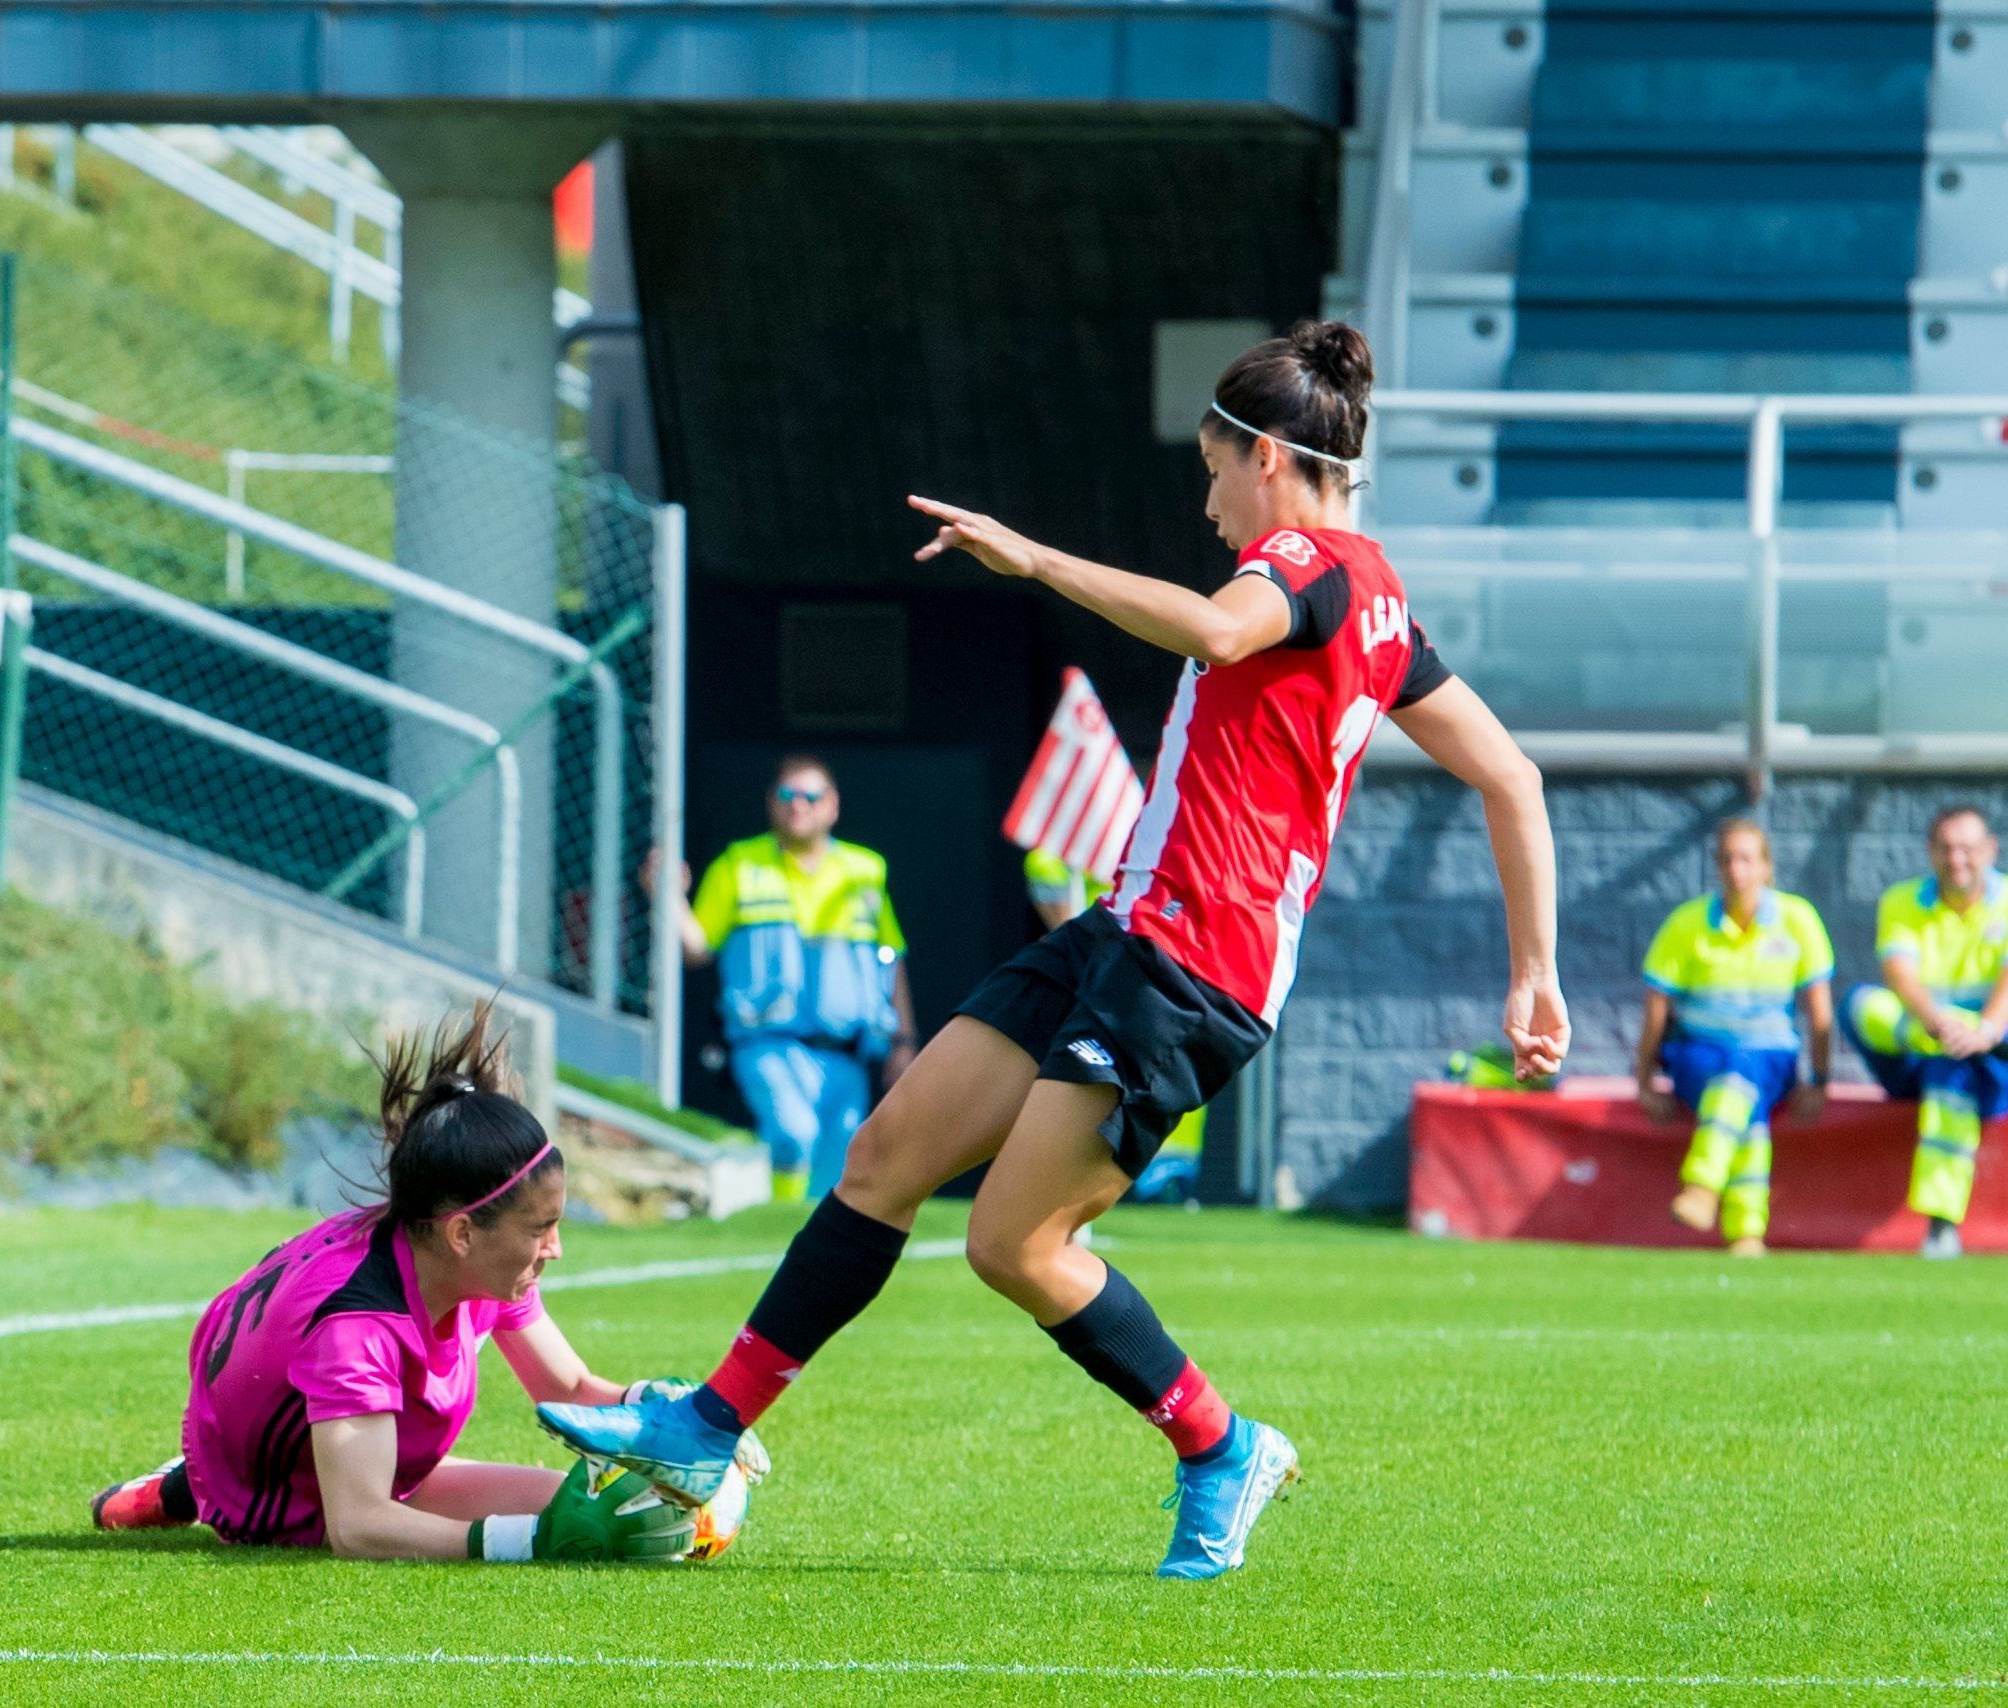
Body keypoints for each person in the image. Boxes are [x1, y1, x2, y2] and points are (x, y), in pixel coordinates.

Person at [540, 321, 1566, 1579]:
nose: (1206, 502)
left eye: (1210, 469)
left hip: (1191, 967)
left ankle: (1219, 1445)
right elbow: (1511, 776)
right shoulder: (1382, 602)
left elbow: (1217, 631)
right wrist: (1533, 971)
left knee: (1013, 1245)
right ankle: (705, 1429)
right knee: (885, 1158)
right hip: (1125, 928)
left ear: (1269, 462)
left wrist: (1030, 559)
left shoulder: (1306, 558)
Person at [89, 1005, 729, 1563]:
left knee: (620, 1516)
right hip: (278, 1493)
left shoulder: (467, 1256)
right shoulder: (357, 1327)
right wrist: (524, 1544)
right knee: (563, 1526)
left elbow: (568, 1388)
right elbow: (359, 1526)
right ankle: (187, 1487)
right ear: (462, 1234)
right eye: (542, 1229)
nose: (556, 1250)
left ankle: (187, 1482)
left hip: (330, 1435)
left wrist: (692, 1416)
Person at [659, 757, 917, 1201]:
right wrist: (669, 896)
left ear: (832, 806)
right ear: (771, 803)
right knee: (792, 1133)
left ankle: (805, 1255)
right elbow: (696, 948)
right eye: (786, 795)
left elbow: (889, 959)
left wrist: (903, 1042)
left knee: (835, 1170)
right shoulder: (739, 864)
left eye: (810, 796)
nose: (798, 805)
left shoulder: (865, 870)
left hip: (845, 1052)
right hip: (768, 1043)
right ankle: (777, 1230)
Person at [1846, 807, 2008, 1260]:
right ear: (1930, 852)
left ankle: (1941, 1224)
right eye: (1945, 848)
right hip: (1929, 1039)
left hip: (1983, 1052)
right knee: (1861, 1006)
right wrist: (1942, 1026)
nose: (1956, 859)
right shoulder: (1900, 900)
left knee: (1952, 1075)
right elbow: (1901, 978)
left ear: (1990, 851)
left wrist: (1986, 1031)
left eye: (1968, 849)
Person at [1631, 819, 1834, 1257]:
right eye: (1726, 860)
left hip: (1771, 1056)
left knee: (1741, 1076)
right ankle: (1745, 1231)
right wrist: (1644, 1080)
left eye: (1745, 859)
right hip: (1697, 1055)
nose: (1736, 870)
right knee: (1746, 1099)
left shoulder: (1797, 920)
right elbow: (1655, 1011)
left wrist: (1820, 1080)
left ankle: (1703, 1186)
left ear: (1766, 867)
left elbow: (1820, 1011)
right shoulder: (1686, 924)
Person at [1030, 847, 1202, 1203]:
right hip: (1100, 985)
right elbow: (1044, 874)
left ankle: (1169, 1176)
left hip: (1159, 981)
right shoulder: (1087, 849)